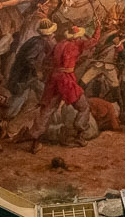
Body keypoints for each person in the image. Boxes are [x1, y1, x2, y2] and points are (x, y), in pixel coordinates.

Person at [27, 22, 101, 152]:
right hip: (67, 81)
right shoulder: (77, 44)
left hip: (53, 80)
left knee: (47, 110)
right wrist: (98, 28)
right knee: (84, 107)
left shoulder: (59, 45)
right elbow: (93, 41)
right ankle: (79, 135)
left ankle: (35, 141)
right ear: (77, 37)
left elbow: (47, 61)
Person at [4, 18, 58, 119]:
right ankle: (6, 118)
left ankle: (50, 116)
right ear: (48, 34)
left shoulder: (37, 40)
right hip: (24, 76)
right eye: (52, 33)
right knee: (21, 97)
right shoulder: (38, 44)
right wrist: (38, 71)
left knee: (42, 92)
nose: (53, 35)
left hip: (28, 75)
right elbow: (29, 59)